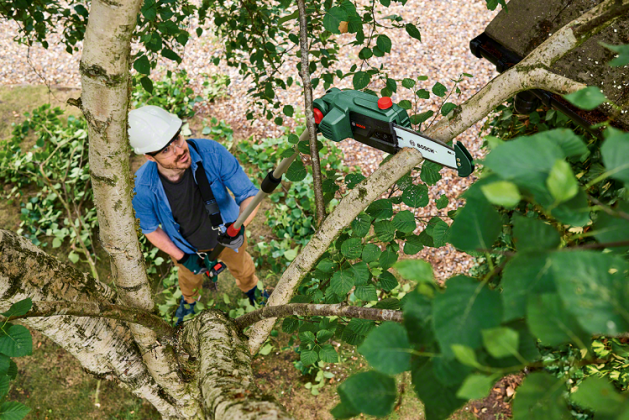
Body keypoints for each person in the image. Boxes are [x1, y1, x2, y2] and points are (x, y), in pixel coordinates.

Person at [129, 105, 266, 325]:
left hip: (229, 236)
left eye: (177, 139)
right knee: (188, 279)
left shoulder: (212, 153)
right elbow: (150, 229)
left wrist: (239, 226)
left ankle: (251, 289)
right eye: (166, 150)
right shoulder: (142, 187)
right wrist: (183, 257)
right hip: (185, 247)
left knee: (243, 267)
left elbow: (249, 194)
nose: (179, 150)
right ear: (150, 157)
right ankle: (190, 301)